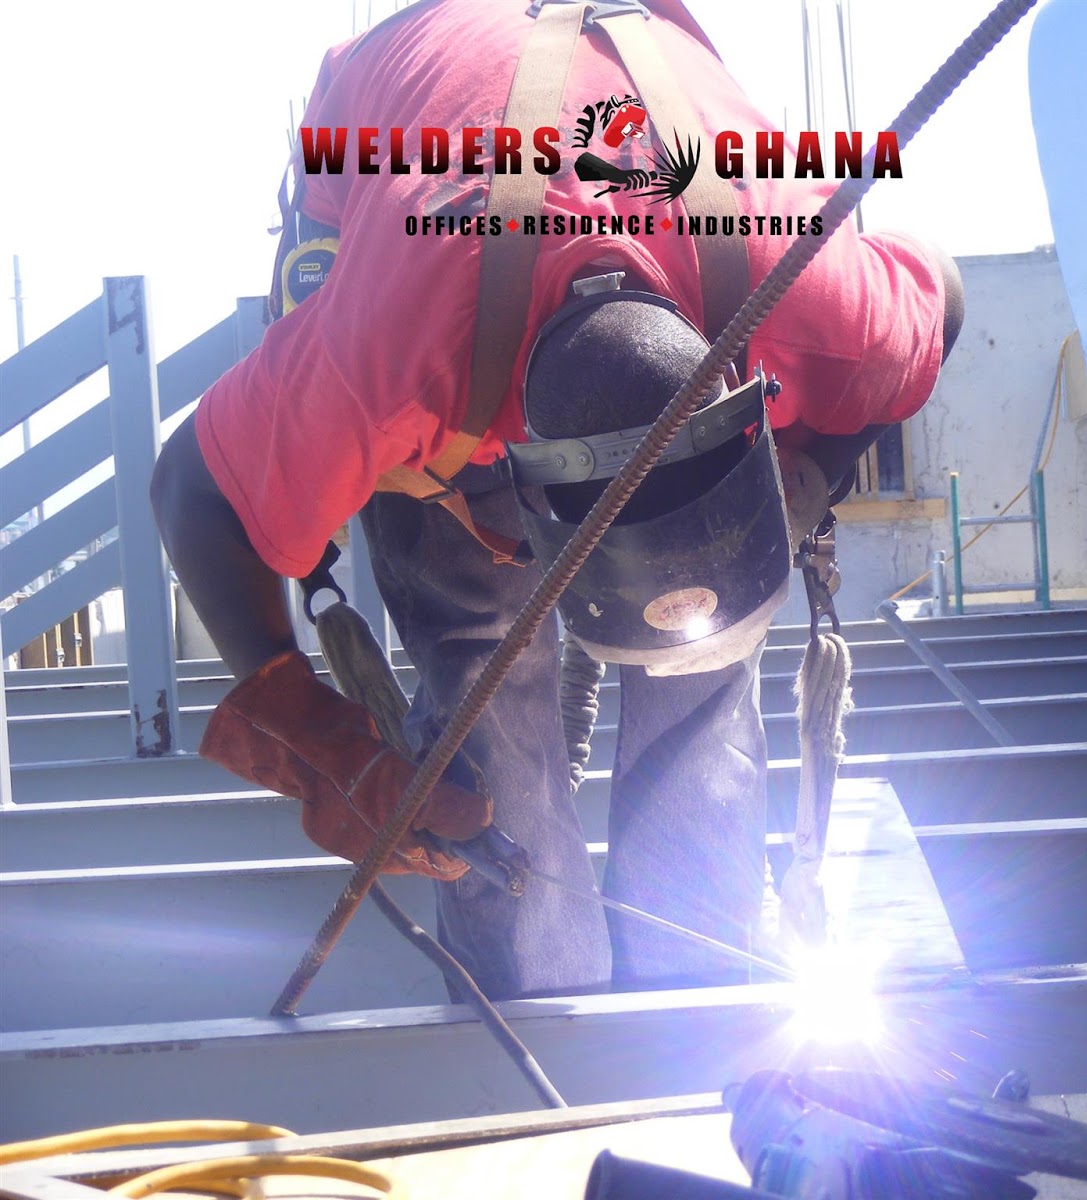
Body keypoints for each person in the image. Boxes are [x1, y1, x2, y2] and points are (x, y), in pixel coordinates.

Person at [150, 0, 962, 999]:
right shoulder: (390, 362)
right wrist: (312, 732)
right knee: (485, 680)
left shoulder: (802, 283)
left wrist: (810, 480)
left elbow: (943, 296)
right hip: (417, 204)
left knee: (701, 672)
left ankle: (692, 994)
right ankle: (536, 1004)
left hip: (644, 156)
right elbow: (191, 487)